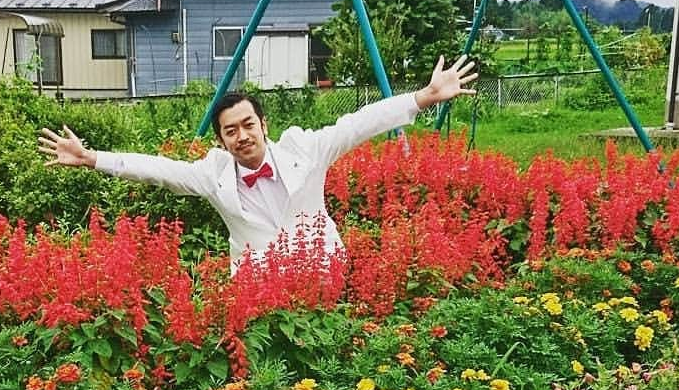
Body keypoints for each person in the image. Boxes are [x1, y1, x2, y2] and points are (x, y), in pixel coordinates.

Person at [38, 54, 477, 271]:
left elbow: (358, 123)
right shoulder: (213, 175)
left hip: (323, 273)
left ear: (264, 124)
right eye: (231, 130)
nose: (242, 136)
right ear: (222, 140)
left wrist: (423, 98)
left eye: (248, 124)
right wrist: (93, 158)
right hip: (259, 290)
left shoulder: (306, 150)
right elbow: (158, 168)